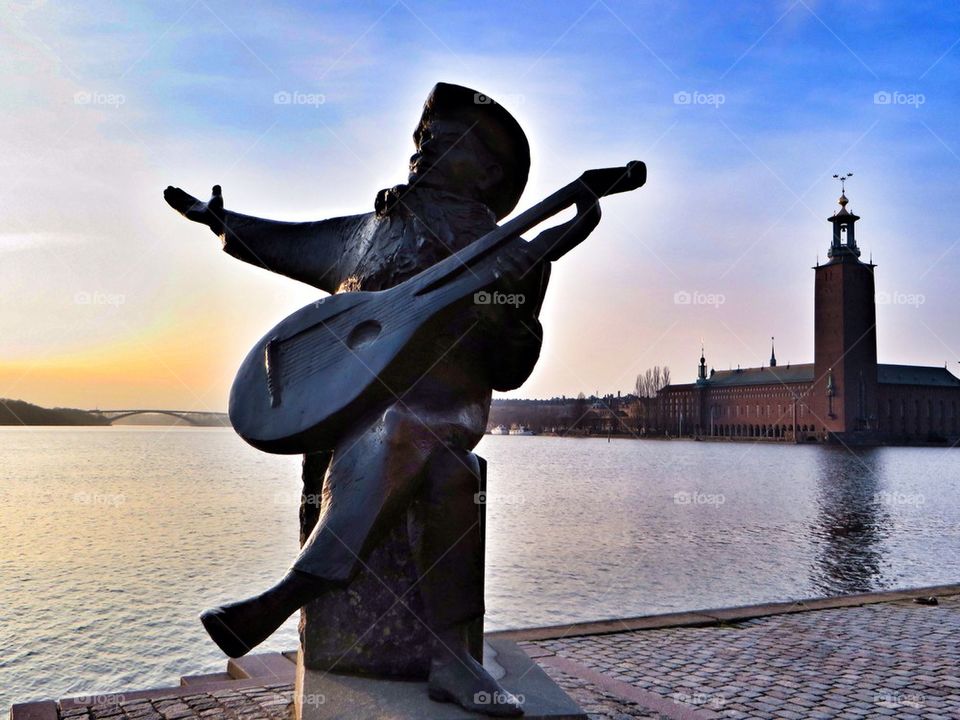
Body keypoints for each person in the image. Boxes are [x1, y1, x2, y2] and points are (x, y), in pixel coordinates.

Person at [164, 82, 600, 717]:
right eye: (420, 139)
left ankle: (292, 592)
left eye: (442, 142)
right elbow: (288, 240)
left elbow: (512, 370)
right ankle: (453, 659)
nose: (421, 150)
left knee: (415, 435)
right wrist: (222, 221)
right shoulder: (367, 233)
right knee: (439, 467)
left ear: (486, 170)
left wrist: (503, 313)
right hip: (354, 416)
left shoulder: (516, 251)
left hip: (448, 412)